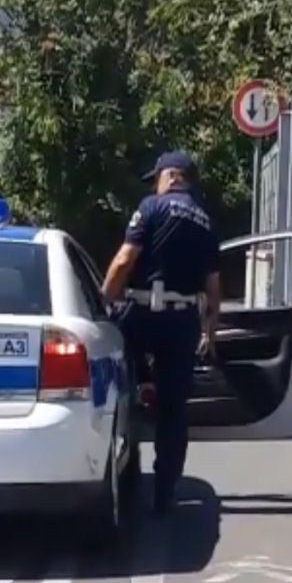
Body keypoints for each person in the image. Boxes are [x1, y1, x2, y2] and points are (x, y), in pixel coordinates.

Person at [102, 150, 221, 513]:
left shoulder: (152, 207)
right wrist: (209, 333)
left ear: (169, 176)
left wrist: (104, 301)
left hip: (139, 314)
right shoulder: (205, 222)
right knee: (174, 411)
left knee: (115, 386)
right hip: (182, 321)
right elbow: (213, 289)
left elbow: (125, 259)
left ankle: (124, 469)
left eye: (157, 177)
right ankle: (165, 491)